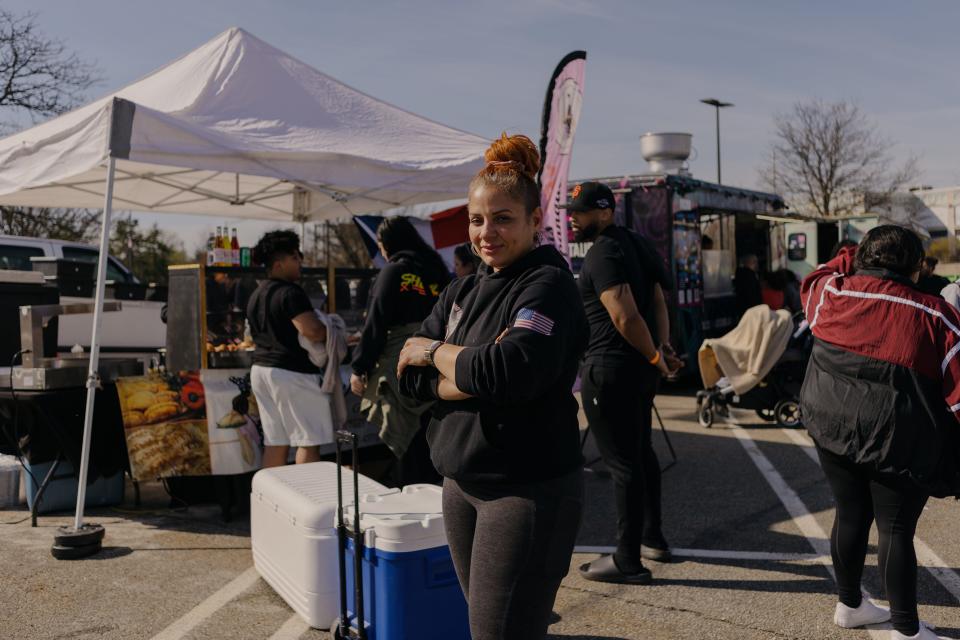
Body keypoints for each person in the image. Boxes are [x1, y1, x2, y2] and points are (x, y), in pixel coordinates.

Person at [397, 133, 588, 639]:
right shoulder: (462, 288)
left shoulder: (546, 285)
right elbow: (407, 380)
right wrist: (466, 373)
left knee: (498, 633)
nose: (487, 233)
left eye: (503, 218)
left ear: (533, 222)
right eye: (478, 219)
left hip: (525, 490)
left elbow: (510, 372)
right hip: (460, 484)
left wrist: (438, 354)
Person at [800, 225, 960, 640]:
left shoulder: (831, 293)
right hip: (896, 439)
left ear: (861, 258)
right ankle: (906, 632)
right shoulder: (935, 315)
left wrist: (851, 254)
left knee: (850, 513)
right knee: (895, 528)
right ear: (916, 267)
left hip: (831, 426)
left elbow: (817, 273)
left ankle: (850, 604)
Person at [567, 181, 682, 585]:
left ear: (603, 212)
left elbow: (625, 315)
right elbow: (658, 301)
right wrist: (661, 350)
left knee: (622, 464)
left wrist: (655, 354)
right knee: (640, 452)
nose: (572, 218)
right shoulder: (637, 243)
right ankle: (653, 538)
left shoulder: (603, 253)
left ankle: (627, 559)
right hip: (637, 371)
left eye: (579, 212)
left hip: (611, 370)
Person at [350, 216, 450, 486]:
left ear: (388, 244)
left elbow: (376, 323)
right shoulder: (438, 270)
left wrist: (360, 367)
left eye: (381, 243)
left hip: (402, 361)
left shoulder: (393, 272)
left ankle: (412, 495)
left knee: (406, 434)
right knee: (432, 432)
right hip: (437, 359)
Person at [246, 230, 330, 468]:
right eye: (295, 258)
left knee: (276, 441)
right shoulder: (290, 292)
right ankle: (306, 502)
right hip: (292, 373)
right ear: (279, 264)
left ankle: (269, 501)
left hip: (261, 371)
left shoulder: (256, 294)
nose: (299, 263)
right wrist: (331, 330)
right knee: (308, 440)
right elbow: (311, 330)